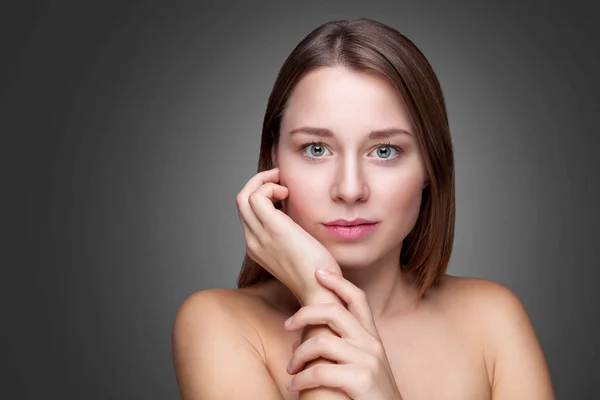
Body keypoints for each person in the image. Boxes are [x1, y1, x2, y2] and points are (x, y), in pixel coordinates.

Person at [171, 18, 555, 399]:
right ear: (275, 157)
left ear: (429, 165)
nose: (350, 190)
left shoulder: (492, 320)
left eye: (384, 151)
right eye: (316, 149)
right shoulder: (218, 323)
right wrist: (320, 297)